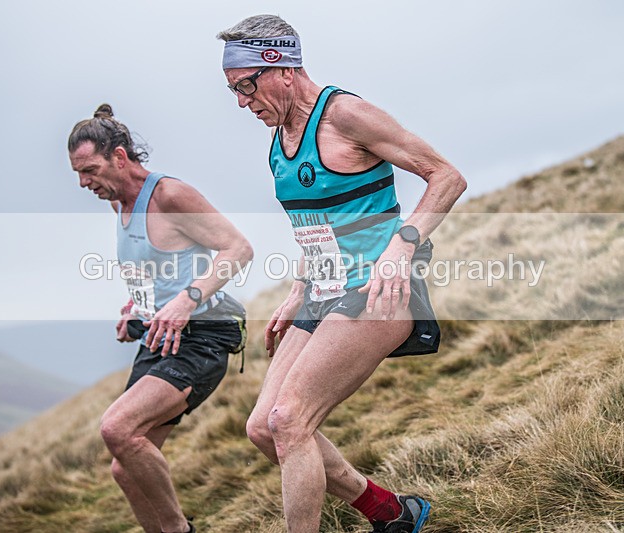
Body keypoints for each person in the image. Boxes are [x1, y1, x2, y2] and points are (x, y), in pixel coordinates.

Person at [217, 15, 467, 533]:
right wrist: (298, 291)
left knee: (290, 421)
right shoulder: (278, 140)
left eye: (245, 85)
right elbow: (318, 225)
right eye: (233, 91)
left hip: (378, 295)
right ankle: (390, 513)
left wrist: (403, 245)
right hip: (323, 293)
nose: (242, 101)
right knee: (264, 428)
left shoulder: (345, 114)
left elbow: (446, 176)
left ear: (280, 68)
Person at [68, 104, 253, 533]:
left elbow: (238, 249)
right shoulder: (120, 205)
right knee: (124, 468)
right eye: (77, 173)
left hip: (203, 337)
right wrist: (141, 306)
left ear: (119, 157)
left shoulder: (169, 194)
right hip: (159, 338)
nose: (83, 183)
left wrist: (187, 300)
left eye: (90, 169)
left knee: (117, 428)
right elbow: (165, 265)